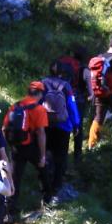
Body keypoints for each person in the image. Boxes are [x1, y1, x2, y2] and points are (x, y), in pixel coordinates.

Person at [5, 81, 51, 206]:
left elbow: (5, 127)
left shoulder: (15, 106)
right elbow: (41, 133)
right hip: (30, 146)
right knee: (43, 168)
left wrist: (11, 144)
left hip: (16, 147)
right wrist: (42, 156)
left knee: (15, 178)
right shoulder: (39, 109)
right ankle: (47, 200)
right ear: (40, 94)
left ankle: (10, 209)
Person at [39, 64, 81, 202]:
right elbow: (72, 106)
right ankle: (57, 185)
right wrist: (76, 124)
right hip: (63, 126)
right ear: (63, 74)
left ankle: (44, 184)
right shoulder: (66, 87)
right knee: (60, 156)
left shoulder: (42, 83)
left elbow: (35, 103)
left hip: (45, 125)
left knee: (44, 154)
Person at [54, 49, 89, 162]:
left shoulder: (63, 64)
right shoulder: (83, 68)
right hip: (77, 101)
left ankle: (60, 156)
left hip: (60, 98)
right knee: (77, 127)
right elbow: (90, 87)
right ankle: (77, 157)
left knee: (61, 127)